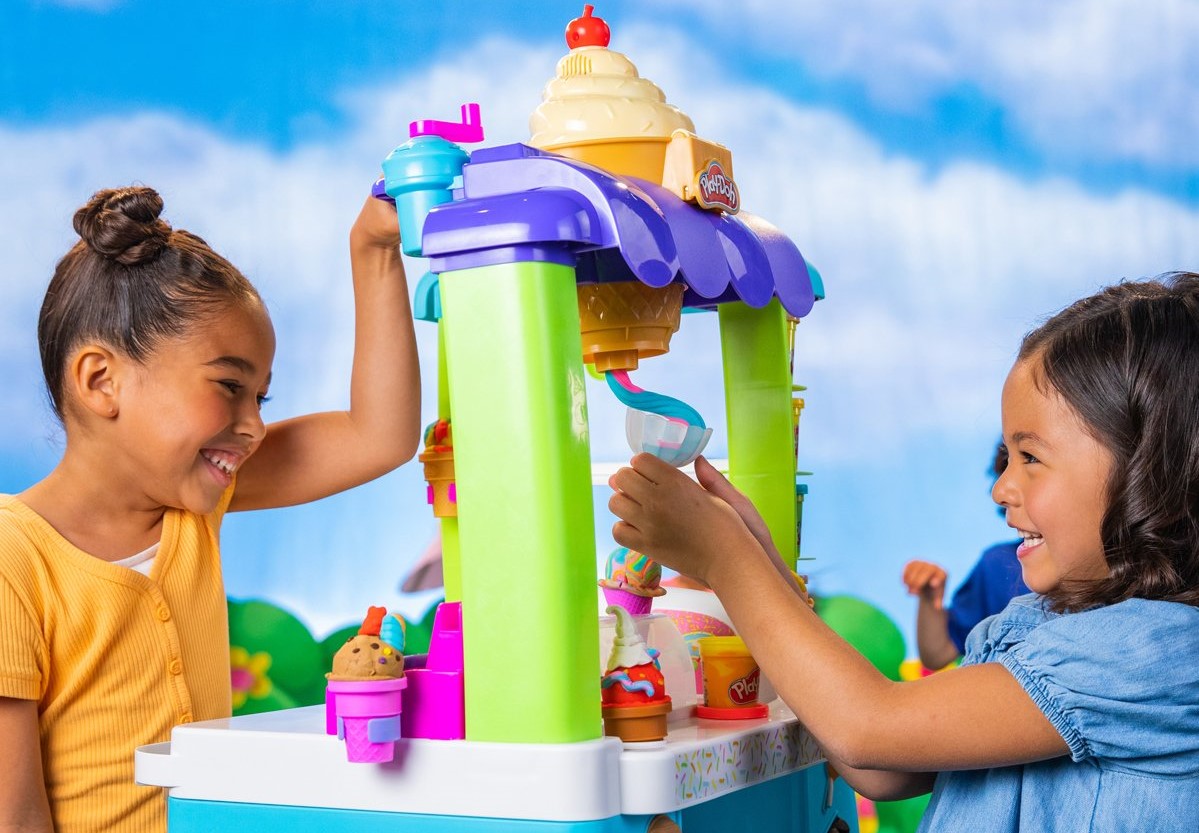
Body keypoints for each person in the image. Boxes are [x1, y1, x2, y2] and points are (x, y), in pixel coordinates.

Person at [608, 273, 1199, 830]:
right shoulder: (1045, 627)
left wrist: (725, 559)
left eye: (1031, 458)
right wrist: (761, 569)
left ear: (1150, 474)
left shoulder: (1157, 654)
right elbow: (882, 767)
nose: (1001, 489)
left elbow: (869, 728)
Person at [0, 185, 420, 833]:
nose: (252, 426)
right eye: (230, 386)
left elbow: (379, 434)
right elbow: (16, 816)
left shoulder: (195, 507)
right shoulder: (12, 558)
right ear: (100, 380)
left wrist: (373, 251)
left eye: (262, 398)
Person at [902, 442, 1028, 670]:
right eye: (1007, 468)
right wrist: (930, 601)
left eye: (1032, 461)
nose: (1002, 494)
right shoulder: (998, 565)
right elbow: (937, 654)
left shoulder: (1111, 572)